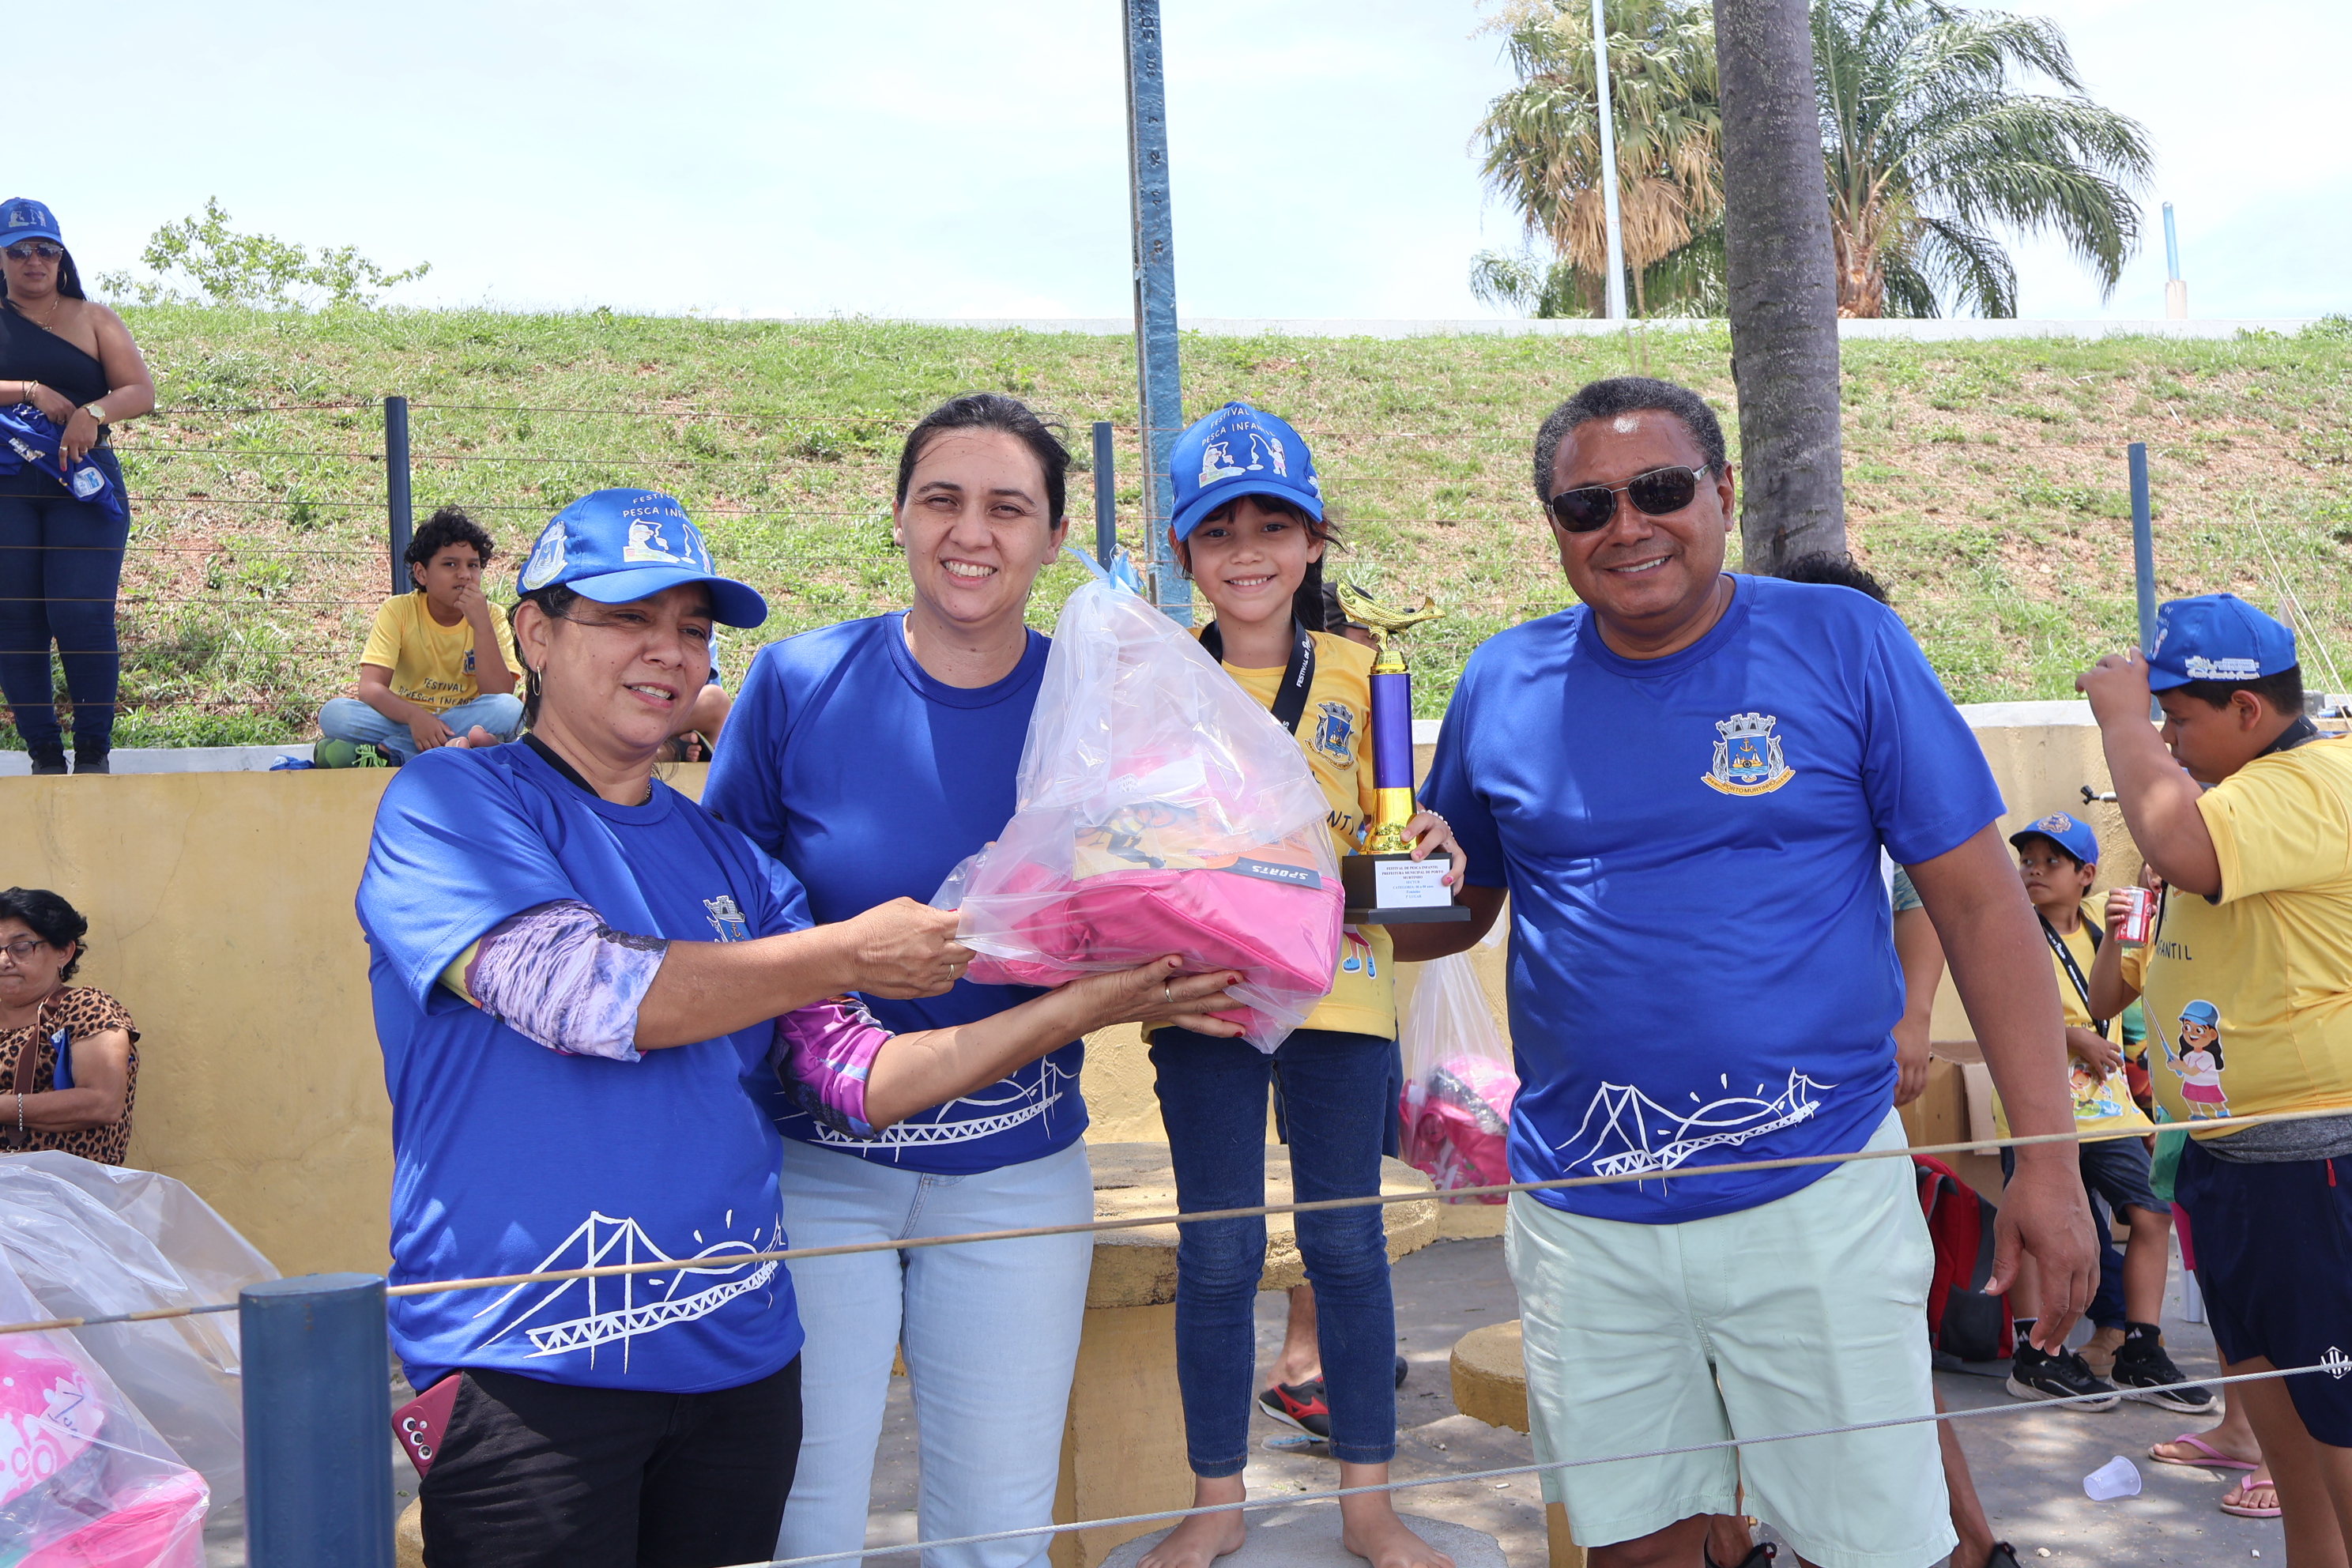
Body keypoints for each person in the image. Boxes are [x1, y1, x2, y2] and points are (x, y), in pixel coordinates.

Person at [356, 486, 1239, 1568]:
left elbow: (858, 1075)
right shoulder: (453, 804)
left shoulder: (739, 867)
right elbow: (578, 993)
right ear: (535, 634)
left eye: (690, 628)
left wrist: (1086, 1006)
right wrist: (846, 951)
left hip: (737, 1363)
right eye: (627, 618)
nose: (666, 653)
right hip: (531, 1367)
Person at [1412, 376, 2094, 1568]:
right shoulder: (1501, 682)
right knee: (1637, 1548)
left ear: (1722, 495)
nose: (1626, 525)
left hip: (1812, 1190)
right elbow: (1445, 916)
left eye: (1660, 490)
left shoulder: (1843, 641)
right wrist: (1375, 876)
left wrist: (2049, 1160)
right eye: (1586, 506)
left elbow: (1984, 908)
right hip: (1587, 1212)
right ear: (1556, 530)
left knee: (1877, 1546)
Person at [703, 395, 1121, 1568]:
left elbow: (1194, 873)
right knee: (801, 1526)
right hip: (812, 1172)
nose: (970, 532)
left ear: (1050, 534)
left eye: (1007, 507)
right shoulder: (796, 683)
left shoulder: (1100, 706)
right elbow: (725, 907)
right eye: (942, 498)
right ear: (898, 516)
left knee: (997, 1536)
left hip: (1017, 1170)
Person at [1138, 402, 1464, 1568]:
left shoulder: (1368, 676)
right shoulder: (1158, 675)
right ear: (1184, 554)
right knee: (1218, 1251)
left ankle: (1367, 1506)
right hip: (1207, 993)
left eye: (1274, 524)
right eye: (1218, 530)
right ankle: (1216, 1501)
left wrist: (1428, 845)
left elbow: (1393, 862)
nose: (1247, 552)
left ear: (1315, 540)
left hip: (1342, 991)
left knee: (1346, 1243)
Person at [2078, 593, 2352, 1568]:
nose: (2163, 736)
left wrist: (2115, 716)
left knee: (2341, 1437)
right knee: (2294, 1448)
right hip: (2233, 1158)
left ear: (2247, 711)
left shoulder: (2310, 781)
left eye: (2178, 717)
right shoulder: (2232, 804)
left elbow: (2180, 842)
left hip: (2313, 1162)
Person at [1992, 812, 2211, 1413]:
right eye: (2027, 861)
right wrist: (2074, 1035)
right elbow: (2000, 1010)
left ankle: (2139, 1347)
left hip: (2110, 1112)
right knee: (2038, 1227)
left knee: (2151, 1210)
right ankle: (2033, 1355)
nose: (2033, 871)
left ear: (2086, 874)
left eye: (2050, 861)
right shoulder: (2011, 930)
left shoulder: (2106, 929)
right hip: (2037, 1110)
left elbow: (2129, 995)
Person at [0, 198, 156, 775]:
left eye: (45, 248)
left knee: (81, 613)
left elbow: (140, 391)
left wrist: (93, 411)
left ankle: (93, 753)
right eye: (19, 250)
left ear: (62, 255)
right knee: (15, 619)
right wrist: (27, 389)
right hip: (8, 483)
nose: (33, 260)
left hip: (83, 484)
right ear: (2, 259)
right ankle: (43, 755)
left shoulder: (95, 319)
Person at [318, 506, 523, 763]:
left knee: (511, 710)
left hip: (462, 719)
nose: (464, 574)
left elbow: (499, 693)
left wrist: (481, 626)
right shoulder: (399, 611)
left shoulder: (492, 617)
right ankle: (447, 750)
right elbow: (370, 688)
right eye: (450, 564)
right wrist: (416, 718)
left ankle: (397, 751)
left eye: (473, 565)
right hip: (405, 719)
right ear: (421, 573)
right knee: (334, 714)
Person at [0, 887, 137, 1163]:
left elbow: (102, 1102)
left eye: (21, 947)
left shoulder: (85, 1007)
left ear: (64, 951)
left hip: (58, 1195)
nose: (4, 961)